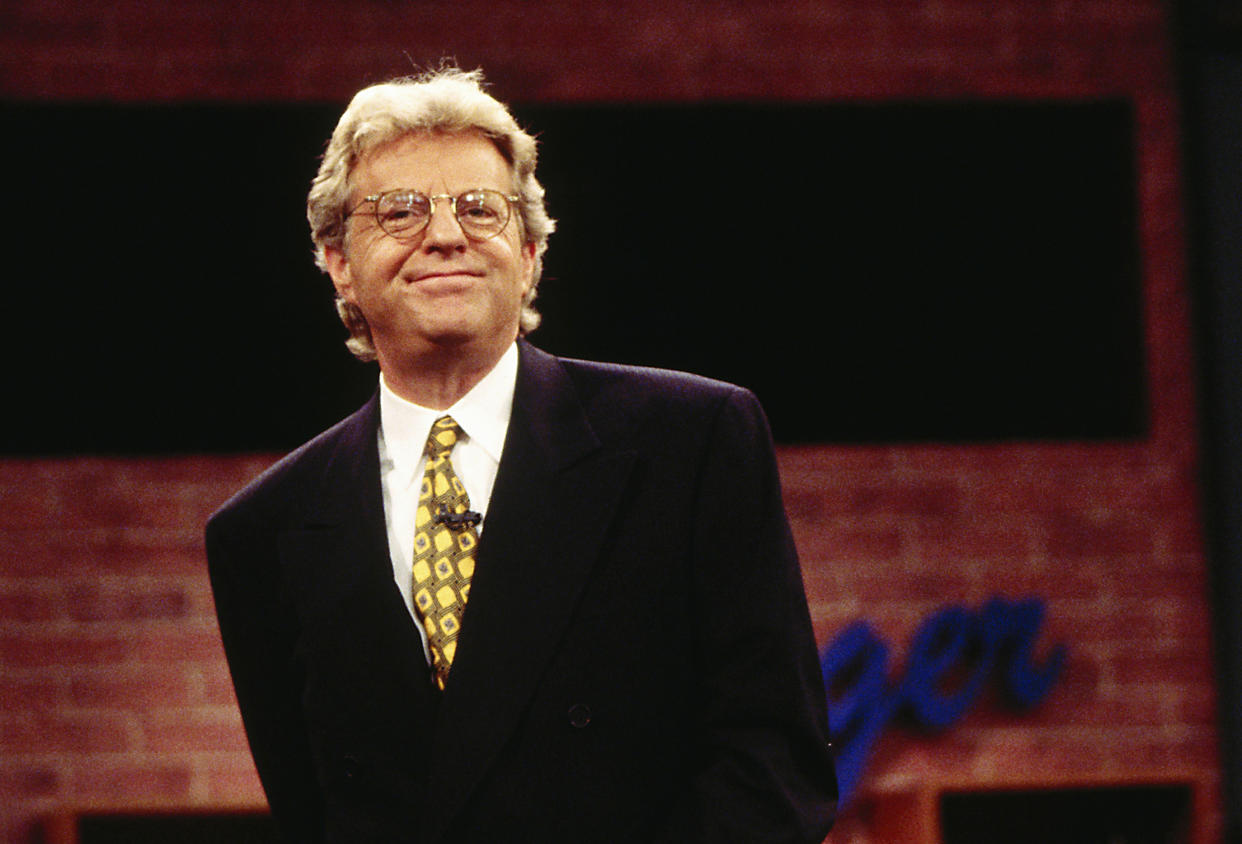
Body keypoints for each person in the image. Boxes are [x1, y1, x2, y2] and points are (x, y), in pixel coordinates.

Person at [206, 65, 837, 844]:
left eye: (481, 208)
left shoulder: (693, 441)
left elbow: (776, 767)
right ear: (337, 258)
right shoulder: (262, 531)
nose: (444, 235)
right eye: (398, 212)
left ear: (531, 250)